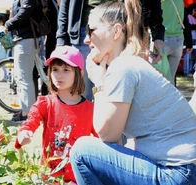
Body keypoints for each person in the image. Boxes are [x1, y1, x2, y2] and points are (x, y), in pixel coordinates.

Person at [70, 1, 196, 184]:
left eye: (92, 30)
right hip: (183, 170)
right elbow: (114, 141)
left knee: (82, 151)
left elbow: (107, 134)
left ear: (116, 31)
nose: (86, 39)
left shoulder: (123, 67)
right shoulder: (128, 63)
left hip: (177, 173)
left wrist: (98, 85)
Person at [15, 46, 97, 184]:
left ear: (80, 74)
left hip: (77, 180)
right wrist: (24, 133)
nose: (59, 75)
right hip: (48, 178)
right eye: (55, 70)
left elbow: (101, 142)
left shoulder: (91, 109)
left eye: (66, 70)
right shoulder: (45, 103)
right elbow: (30, 122)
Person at [56, 0, 165, 102]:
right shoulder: (87, 38)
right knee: (82, 93)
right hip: (81, 31)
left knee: (116, 92)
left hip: (121, 33)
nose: (87, 40)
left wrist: (158, 34)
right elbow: (65, 5)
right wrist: (61, 39)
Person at [5, 0, 42, 122]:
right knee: (24, 77)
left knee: (23, 78)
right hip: (26, 39)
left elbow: (24, 12)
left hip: (26, 39)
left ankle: (27, 113)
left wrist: (8, 24)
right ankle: (26, 111)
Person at [161, 0, 185, 84]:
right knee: (171, 79)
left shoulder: (159, 2)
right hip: (178, 39)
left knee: (157, 77)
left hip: (161, 40)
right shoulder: (180, 1)